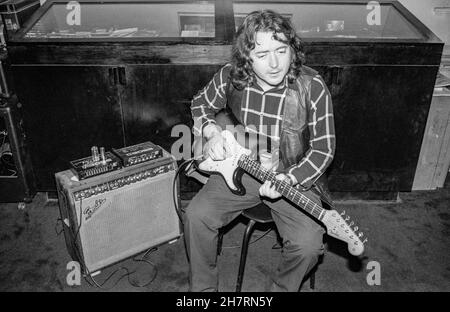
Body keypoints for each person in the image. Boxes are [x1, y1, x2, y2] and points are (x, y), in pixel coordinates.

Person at [184, 9, 336, 292]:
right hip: (243, 166)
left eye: (282, 50)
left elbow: (323, 150)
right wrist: (211, 130)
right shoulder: (230, 76)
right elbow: (199, 104)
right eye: (263, 54)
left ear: (292, 49)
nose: (275, 63)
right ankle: (203, 291)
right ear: (247, 57)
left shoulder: (311, 86)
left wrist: (289, 179)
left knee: (308, 246)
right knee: (196, 216)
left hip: (293, 176)